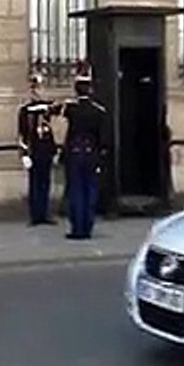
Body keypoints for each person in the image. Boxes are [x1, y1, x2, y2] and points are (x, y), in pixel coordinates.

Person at [53, 60, 108, 240]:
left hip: (75, 152)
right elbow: (102, 138)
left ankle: (77, 228)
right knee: (90, 190)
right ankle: (88, 227)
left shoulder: (71, 108)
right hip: (91, 153)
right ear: (90, 89)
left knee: (76, 190)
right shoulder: (98, 110)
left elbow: (53, 112)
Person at [17, 67, 58, 225]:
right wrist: (24, 153)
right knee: (35, 183)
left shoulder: (46, 108)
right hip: (33, 148)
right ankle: (36, 214)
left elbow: (56, 110)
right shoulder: (25, 110)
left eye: (40, 87)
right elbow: (22, 133)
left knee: (45, 182)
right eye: (36, 88)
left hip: (45, 148)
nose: (38, 91)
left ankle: (45, 212)